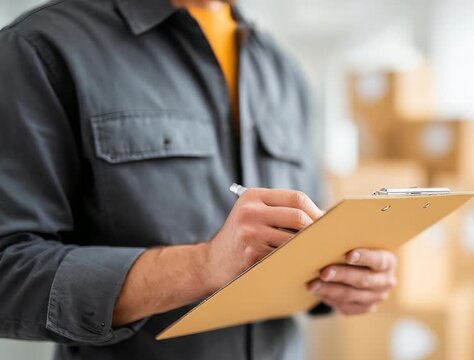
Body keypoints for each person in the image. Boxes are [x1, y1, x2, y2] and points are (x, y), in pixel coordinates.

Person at [0, 0, 398, 359]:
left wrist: (343, 275)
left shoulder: (284, 71)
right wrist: (203, 265)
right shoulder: (40, 47)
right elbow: (8, 273)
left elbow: (303, 239)